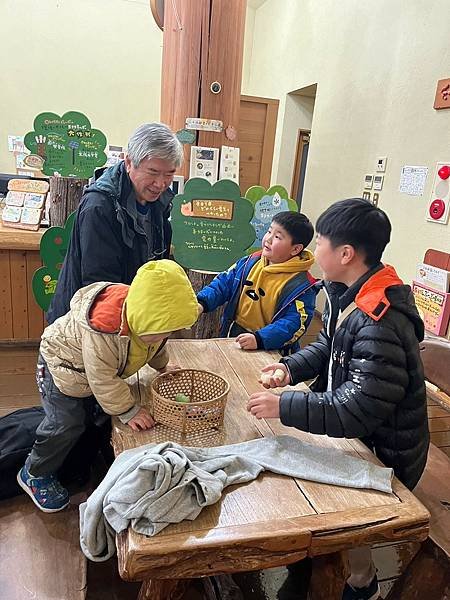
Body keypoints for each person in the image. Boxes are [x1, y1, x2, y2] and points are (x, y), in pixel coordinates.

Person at [247, 198, 429, 600]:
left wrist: (285, 405)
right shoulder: (347, 290)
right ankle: (319, 562)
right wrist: (291, 369)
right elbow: (331, 346)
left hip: (384, 453)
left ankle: (360, 584)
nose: (317, 251)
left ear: (345, 254)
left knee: (333, 515)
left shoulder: (381, 320)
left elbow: (356, 408)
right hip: (358, 435)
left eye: (322, 242)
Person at [18, 260, 199, 513]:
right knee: (65, 423)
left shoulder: (146, 317)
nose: (161, 338)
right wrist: (129, 410)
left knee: (95, 419)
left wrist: (162, 367)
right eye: (158, 333)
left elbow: (154, 347)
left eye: (166, 333)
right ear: (139, 319)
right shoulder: (105, 329)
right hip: (60, 364)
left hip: (90, 370)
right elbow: (102, 378)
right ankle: (35, 471)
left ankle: (84, 460)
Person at [46, 122, 183, 324]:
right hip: (88, 321)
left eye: (169, 174)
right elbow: (98, 285)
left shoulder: (159, 202)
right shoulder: (100, 206)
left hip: (132, 315)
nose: (160, 183)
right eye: (153, 172)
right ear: (129, 163)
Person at [197, 211, 317, 355]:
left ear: (296, 249)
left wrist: (260, 339)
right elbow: (223, 284)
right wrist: (201, 302)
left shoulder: (301, 285)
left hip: (270, 347)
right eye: (269, 231)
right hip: (235, 333)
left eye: (278, 237)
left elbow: (293, 323)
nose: (268, 239)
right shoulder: (250, 262)